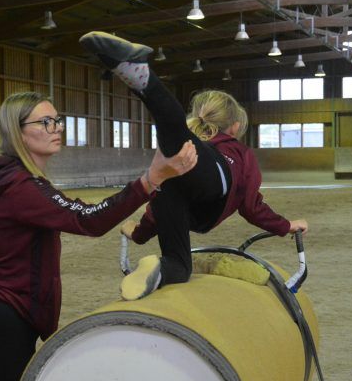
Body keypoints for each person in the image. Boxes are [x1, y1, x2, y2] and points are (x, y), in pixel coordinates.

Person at [0, 91, 197, 381]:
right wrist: (151, 179)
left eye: (57, 121)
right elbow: (88, 220)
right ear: (18, 132)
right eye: (45, 123)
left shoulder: (22, 180)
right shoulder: (21, 187)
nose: (56, 129)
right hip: (1, 326)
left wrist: (152, 177)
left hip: (1, 319)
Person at [79, 31, 308, 300]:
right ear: (234, 126)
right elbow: (250, 204)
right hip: (211, 186)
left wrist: (139, 234)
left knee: (172, 158)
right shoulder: (238, 151)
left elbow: (156, 210)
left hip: (181, 194)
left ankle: (131, 72)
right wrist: (285, 225)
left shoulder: (194, 150)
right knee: (178, 147)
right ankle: (138, 73)